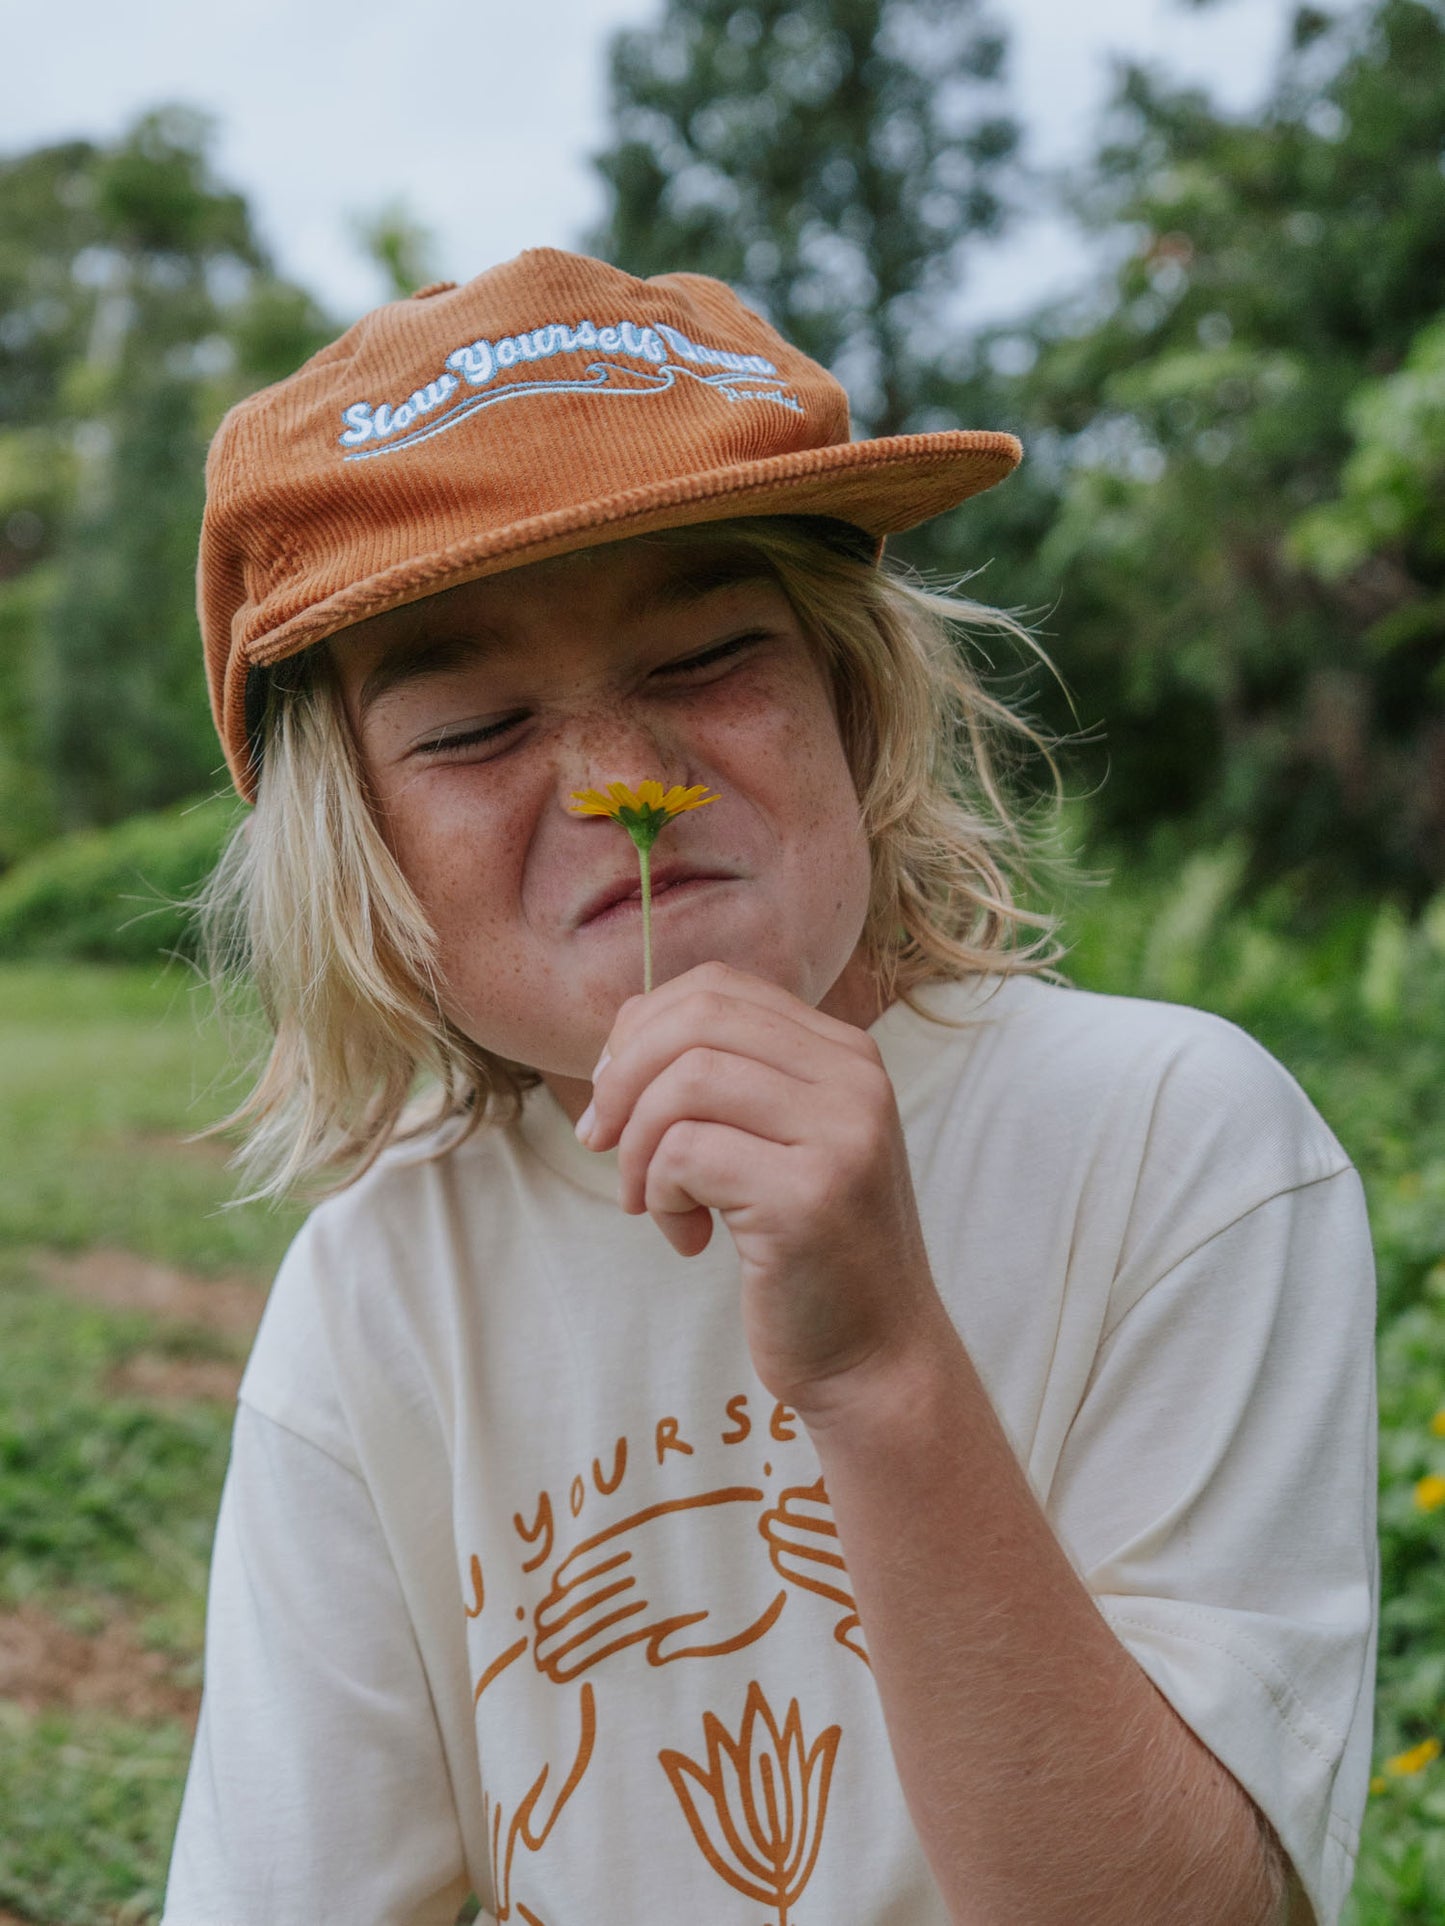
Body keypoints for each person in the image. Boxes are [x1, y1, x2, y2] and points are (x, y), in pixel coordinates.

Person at [163, 247, 1377, 1926]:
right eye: (473, 725)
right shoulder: (381, 1288)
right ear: (354, 853)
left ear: (851, 693)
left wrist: (882, 1365)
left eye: (701, 657)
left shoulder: (1176, 1144)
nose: (619, 779)